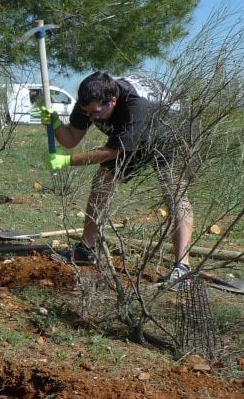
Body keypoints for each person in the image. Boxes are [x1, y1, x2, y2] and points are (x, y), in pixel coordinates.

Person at [39, 72, 194, 289]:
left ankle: (183, 268)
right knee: (103, 181)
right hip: (130, 135)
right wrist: (55, 123)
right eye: (87, 113)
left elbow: (112, 152)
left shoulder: (135, 106)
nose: (91, 118)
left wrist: (67, 161)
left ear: (112, 100)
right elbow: (71, 139)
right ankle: (86, 249)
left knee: (174, 191)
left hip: (167, 131)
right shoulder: (90, 99)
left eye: (95, 112)